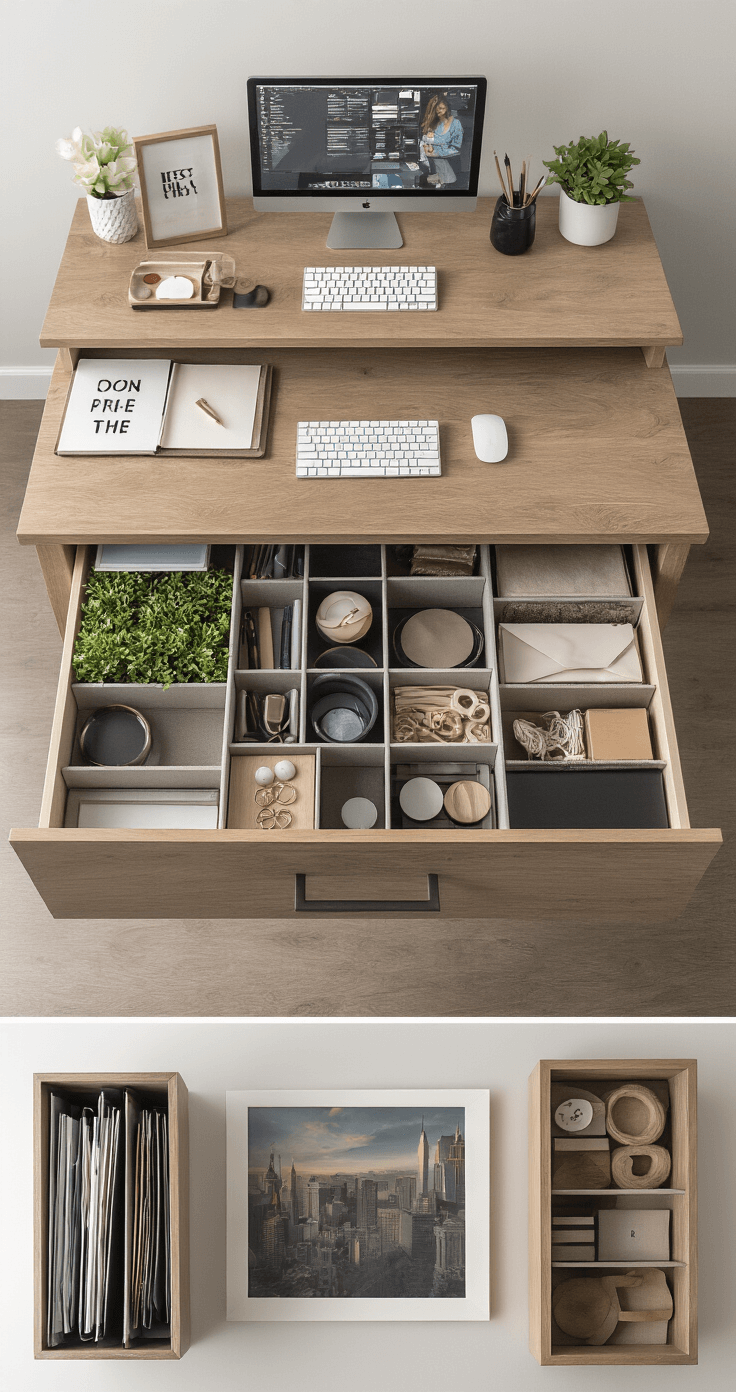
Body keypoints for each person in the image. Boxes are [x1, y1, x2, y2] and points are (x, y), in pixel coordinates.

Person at [420, 96, 463, 187]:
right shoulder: (430, 124)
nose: (438, 111)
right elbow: (424, 144)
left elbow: (456, 147)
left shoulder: (455, 124)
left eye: (442, 108)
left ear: (447, 108)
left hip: (450, 164)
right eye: (435, 109)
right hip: (433, 166)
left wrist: (435, 149)